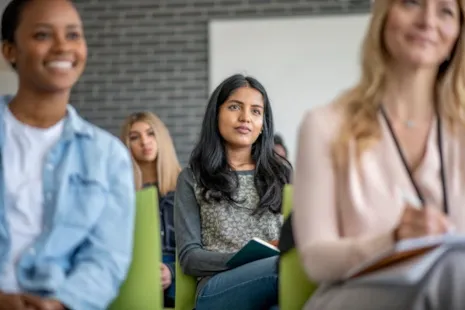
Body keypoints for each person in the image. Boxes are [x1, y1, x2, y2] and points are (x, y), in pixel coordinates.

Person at [293, 0, 465, 309]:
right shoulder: (325, 126)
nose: (428, 21)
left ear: (457, 36)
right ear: (384, 17)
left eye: (446, 11)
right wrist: (392, 241)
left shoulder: (459, 133)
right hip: (355, 291)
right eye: (412, 2)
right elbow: (316, 259)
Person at [0, 0, 136, 309]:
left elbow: (105, 258)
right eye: (43, 35)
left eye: (73, 35)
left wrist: (60, 304)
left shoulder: (107, 155)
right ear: (10, 51)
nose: (63, 47)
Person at [175, 74, 292, 310]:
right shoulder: (193, 177)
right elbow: (190, 259)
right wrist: (247, 257)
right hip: (216, 290)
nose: (245, 118)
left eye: (256, 111)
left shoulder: (283, 175)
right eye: (234, 107)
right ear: (216, 114)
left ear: (263, 125)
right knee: (286, 271)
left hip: (272, 285)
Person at [120, 111, 181, 307]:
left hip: (180, 275)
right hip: (135, 272)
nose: (144, 142)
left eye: (150, 133)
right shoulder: (121, 193)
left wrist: (171, 271)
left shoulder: (186, 187)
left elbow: (201, 246)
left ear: (161, 137)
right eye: (134, 137)